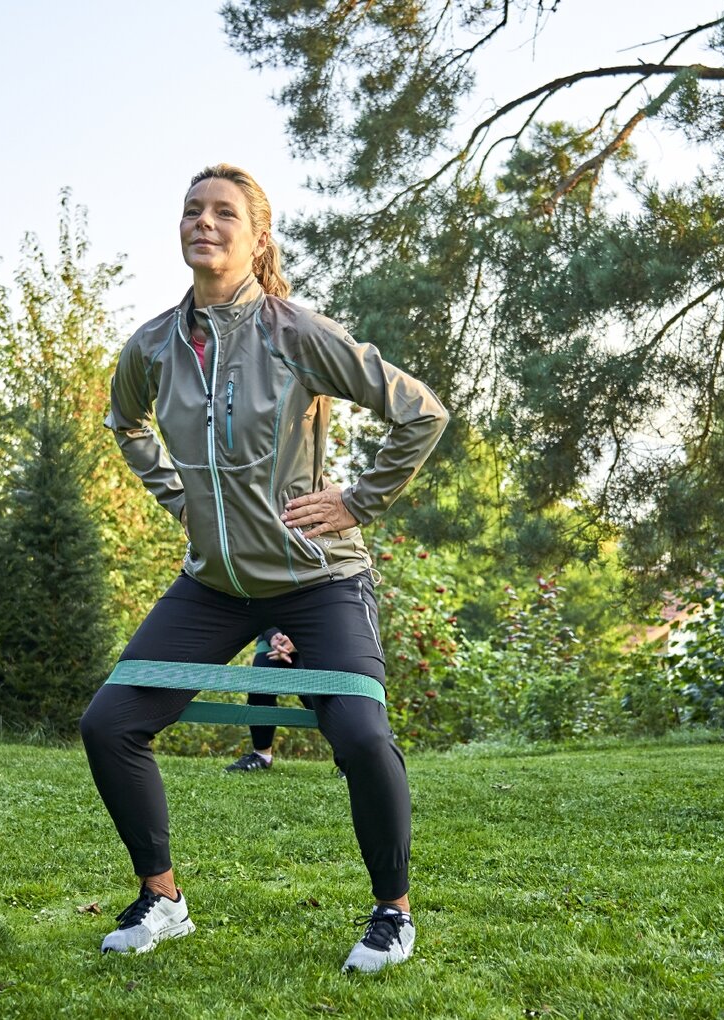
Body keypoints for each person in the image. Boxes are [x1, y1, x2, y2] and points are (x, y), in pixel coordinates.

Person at [79, 164, 448, 972]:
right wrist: (181, 500)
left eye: (222, 213)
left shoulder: (296, 332)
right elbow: (126, 425)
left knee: (358, 732)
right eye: (191, 211)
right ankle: (162, 900)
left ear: (257, 236)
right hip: (214, 585)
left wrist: (359, 500)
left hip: (319, 580)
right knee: (110, 723)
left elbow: (419, 410)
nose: (202, 223)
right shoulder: (151, 346)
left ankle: (393, 913)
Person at [225, 627, 303, 772]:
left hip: (314, 637)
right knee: (259, 689)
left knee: (318, 694)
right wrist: (273, 636)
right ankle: (261, 756)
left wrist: (298, 640)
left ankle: (346, 758)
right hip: (271, 637)